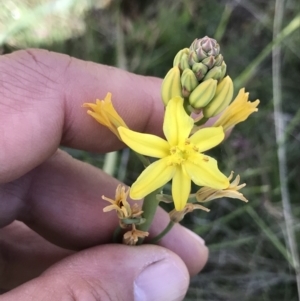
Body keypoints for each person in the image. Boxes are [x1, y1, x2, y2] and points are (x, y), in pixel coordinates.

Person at [0, 49, 208, 301]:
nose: (183, 151)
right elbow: (138, 157)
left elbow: (176, 189)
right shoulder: (161, 143)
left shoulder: (186, 164)